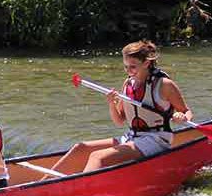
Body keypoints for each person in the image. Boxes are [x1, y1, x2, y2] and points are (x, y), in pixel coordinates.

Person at [50, 40, 194, 174]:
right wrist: (111, 103)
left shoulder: (164, 85)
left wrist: (182, 117)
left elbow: (186, 111)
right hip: (132, 137)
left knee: (97, 157)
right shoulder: (128, 84)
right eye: (126, 66)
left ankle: (80, 188)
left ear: (146, 63)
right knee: (80, 148)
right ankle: (43, 185)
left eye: (133, 67)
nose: (129, 71)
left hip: (156, 140)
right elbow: (119, 121)